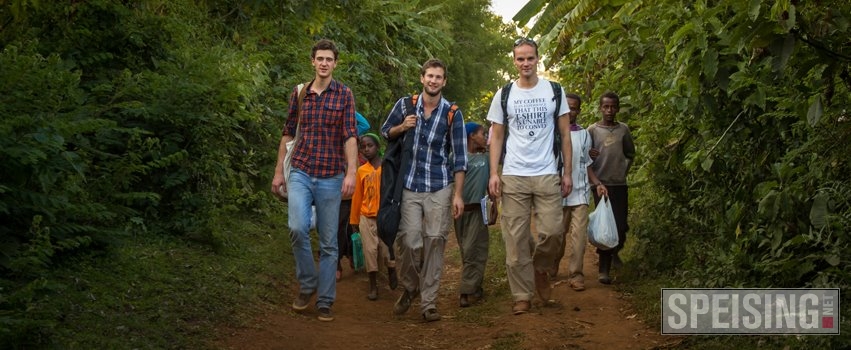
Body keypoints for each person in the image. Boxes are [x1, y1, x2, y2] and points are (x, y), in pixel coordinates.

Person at [270, 39, 358, 322]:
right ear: (312, 61)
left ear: (335, 63)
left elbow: (350, 135)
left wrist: (352, 172)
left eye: (329, 59)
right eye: (319, 58)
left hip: (331, 175)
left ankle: (325, 301)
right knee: (297, 227)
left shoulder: (344, 94)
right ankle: (308, 282)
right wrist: (277, 172)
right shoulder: (300, 93)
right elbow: (287, 133)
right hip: (301, 171)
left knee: (330, 242)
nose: (324, 63)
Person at [486, 38, 573, 315]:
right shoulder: (504, 94)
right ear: (514, 61)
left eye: (530, 58)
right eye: (520, 59)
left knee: (553, 232)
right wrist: (494, 173)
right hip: (514, 174)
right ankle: (521, 295)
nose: (525, 63)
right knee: (515, 240)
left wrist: (567, 172)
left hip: (547, 173)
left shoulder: (554, 90)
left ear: (538, 59)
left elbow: (565, 135)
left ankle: (540, 269)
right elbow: (497, 136)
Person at [380, 58, 467, 322]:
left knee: (435, 243)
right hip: (408, 186)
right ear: (422, 78)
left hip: (439, 185)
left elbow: (460, 158)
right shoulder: (405, 105)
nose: (433, 80)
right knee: (409, 241)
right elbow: (385, 132)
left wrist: (458, 195)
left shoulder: (452, 113)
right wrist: (402, 127)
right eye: (429, 76)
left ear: (444, 81)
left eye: (438, 77)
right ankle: (411, 286)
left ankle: (428, 303)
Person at [552, 93, 607, 291]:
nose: (570, 111)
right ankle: (551, 267)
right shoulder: (552, 132)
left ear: (578, 111)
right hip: (558, 194)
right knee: (557, 235)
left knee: (579, 237)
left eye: (574, 108)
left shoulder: (584, 134)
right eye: (567, 108)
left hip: (580, 193)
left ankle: (576, 274)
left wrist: (597, 183)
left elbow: (587, 164)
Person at [587, 91, 635, 285]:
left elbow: (630, 153)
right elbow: (586, 159)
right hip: (600, 185)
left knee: (621, 226)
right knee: (606, 226)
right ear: (600, 108)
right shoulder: (592, 130)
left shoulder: (623, 130)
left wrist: (623, 171)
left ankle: (615, 252)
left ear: (618, 108)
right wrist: (596, 182)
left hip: (619, 184)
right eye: (605, 106)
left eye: (613, 106)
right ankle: (603, 269)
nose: (609, 110)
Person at [350, 133, 398, 300]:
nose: (366, 149)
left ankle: (392, 268)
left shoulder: (386, 167)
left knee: (386, 250)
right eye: (363, 147)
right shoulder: (361, 171)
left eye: (370, 146)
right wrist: (354, 220)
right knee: (369, 251)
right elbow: (357, 196)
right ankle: (373, 286)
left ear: (378, 147)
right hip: (366, 216)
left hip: (384, 216)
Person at [454, 122, 490, 308]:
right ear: (471, 136)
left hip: (478, 211)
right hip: (460, 213)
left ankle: (466, 291)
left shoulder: (486, 158)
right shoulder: (458, 157)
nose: (485, 137)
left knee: (476, 249)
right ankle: (474, 286)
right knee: (466, 250)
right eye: (481, 133)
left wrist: (495, 205)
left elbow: (491, 184)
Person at [337, 112, 371, 280]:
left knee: (352, 225)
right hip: (334, 186)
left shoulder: (353, 132)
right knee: (337, 226)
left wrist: (349, 108)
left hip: (355, 188)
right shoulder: (329, 133)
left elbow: (365, 124)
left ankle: (351, 255)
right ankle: (337, 262)